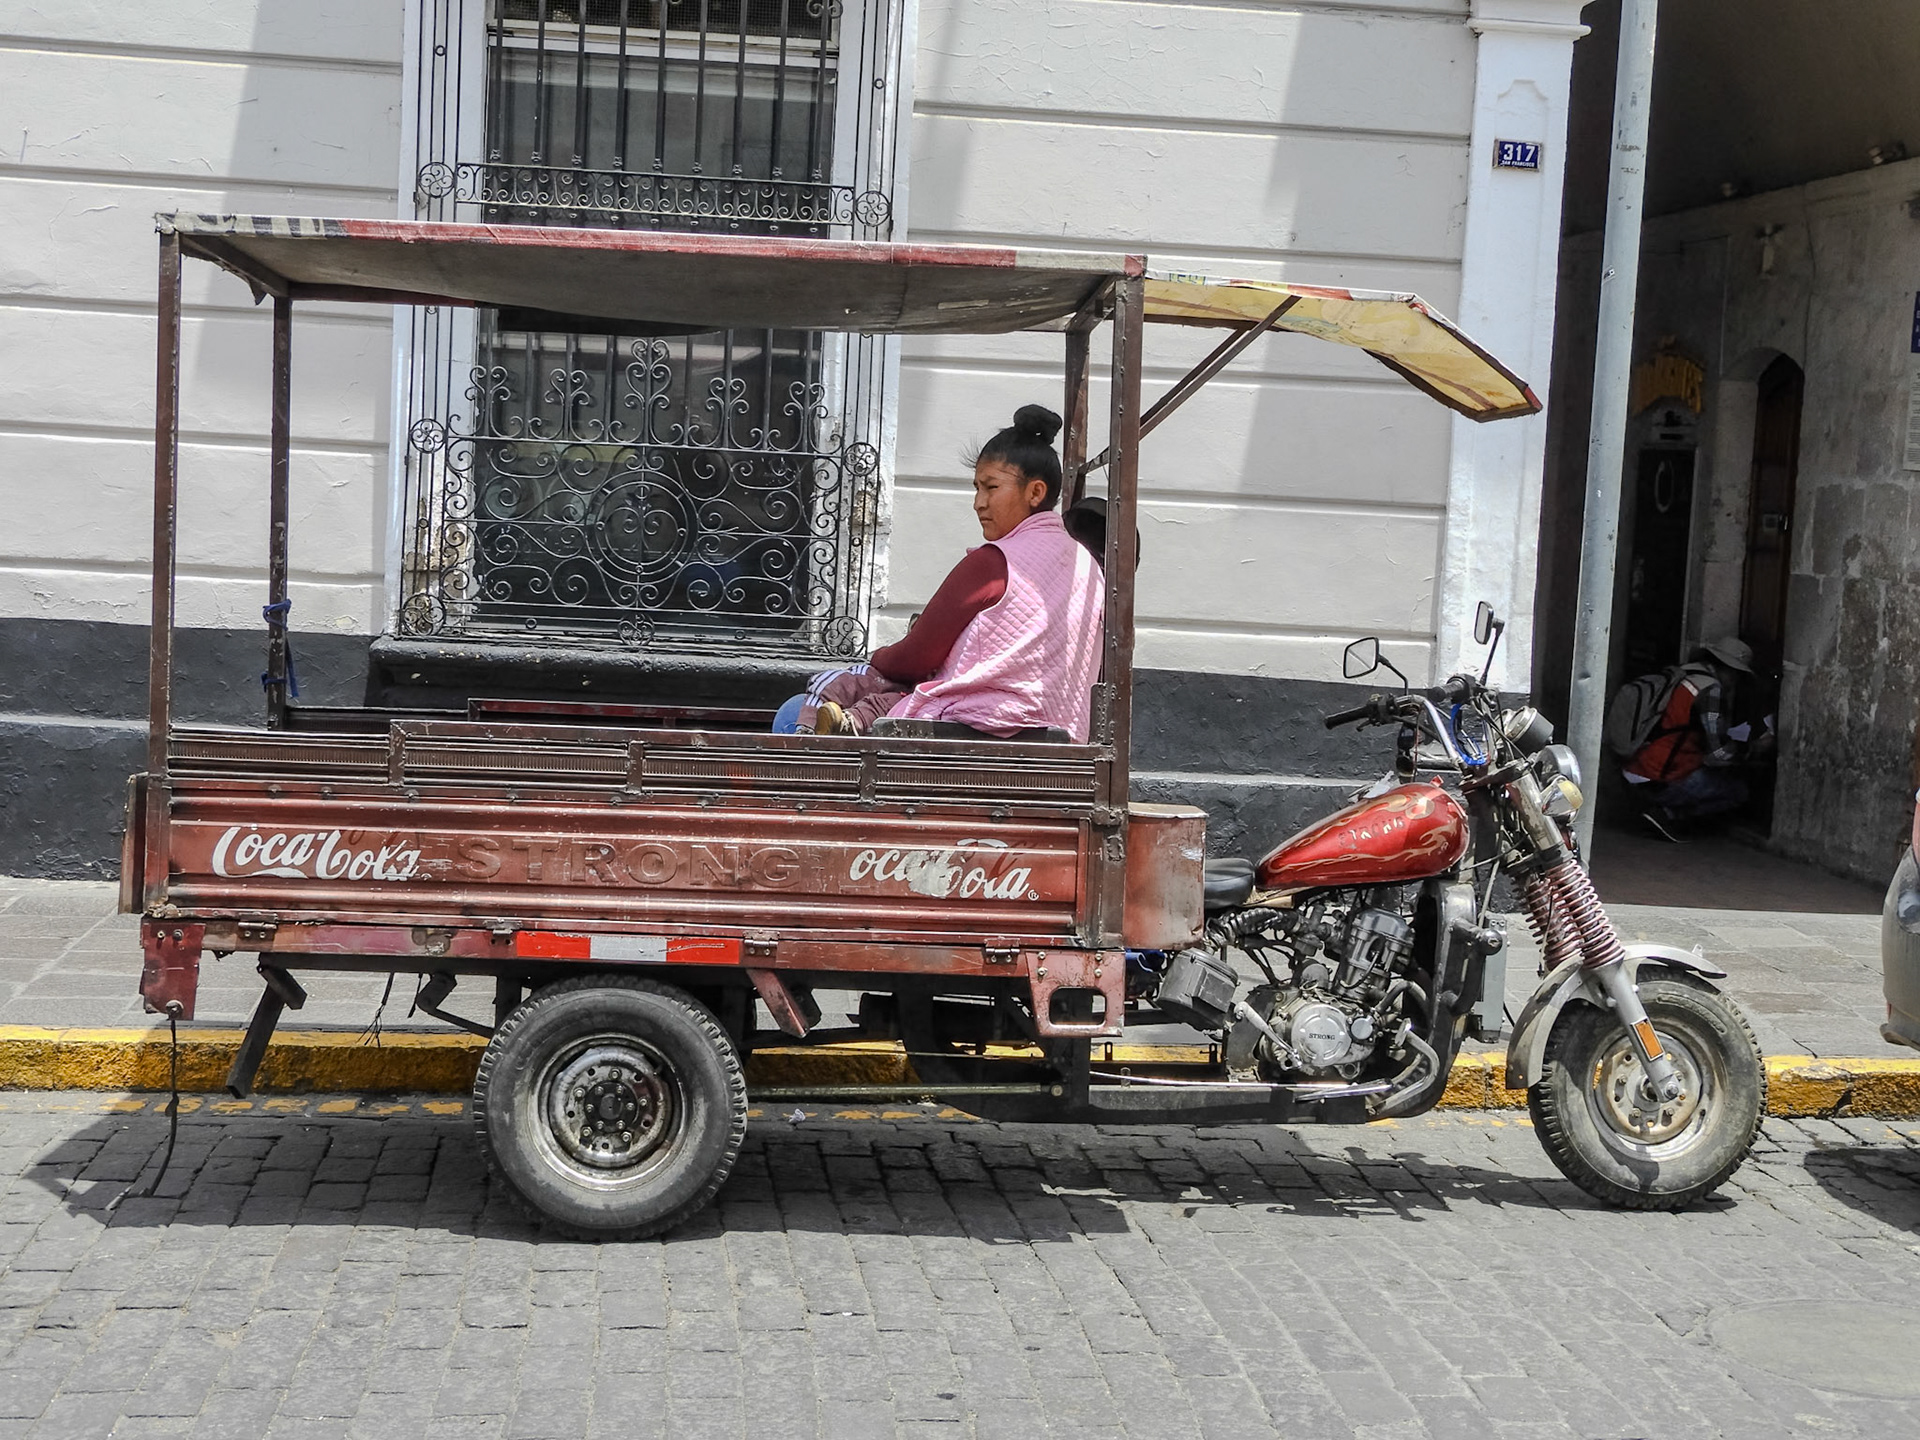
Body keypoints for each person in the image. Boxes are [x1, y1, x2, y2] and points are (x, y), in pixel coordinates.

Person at [773, 404, 1106, 742]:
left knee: (793, 712)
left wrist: (878, 657)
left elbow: (915, 658)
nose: (978, 502)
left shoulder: (994, 563)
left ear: (1035, 492)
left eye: (991, 488)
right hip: (1063, 739)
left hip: (969, 733)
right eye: (977, 488)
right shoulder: (1090, 568)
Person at [1625, 635, 1755, 841]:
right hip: (1661, 776)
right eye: (1737, 675)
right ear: (1729, 671)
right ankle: (1667, 815)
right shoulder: (1711, 690)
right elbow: (1717, 755)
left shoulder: (1683, 673)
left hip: (1636, 766)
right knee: (1738, 792)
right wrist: (1751, 749)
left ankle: (1656, 811)